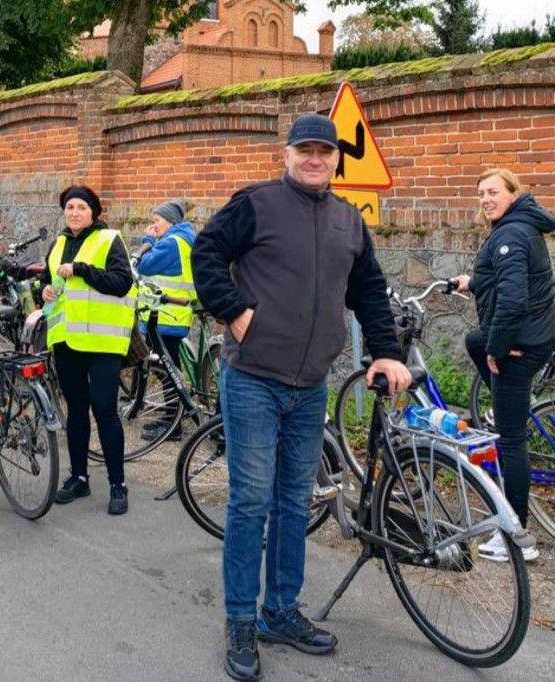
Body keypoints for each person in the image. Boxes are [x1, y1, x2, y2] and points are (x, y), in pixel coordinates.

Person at [192, 113, 411, 681]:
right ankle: (241, 619)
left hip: (309, 384)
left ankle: (280, 611)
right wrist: (234, 311)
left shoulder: (348, 221)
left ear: (338, 159)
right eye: (305, 149)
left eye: (325, 151)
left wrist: (385, 352)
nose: (315, 159)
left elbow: (367, 291)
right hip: (254, 378)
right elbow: (207, 252)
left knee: (295, 503)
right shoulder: (257, 203)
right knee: (250, 502)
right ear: (285, 154)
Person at [452, 168, 555, 563]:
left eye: (493, 192)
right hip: (538, 333)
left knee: (510, 441)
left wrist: (498, 350)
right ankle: (505, 404)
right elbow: (506, 282)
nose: (486, 199)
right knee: (473, 340)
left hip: (520, 344)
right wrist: (472, 281)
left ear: (514, 193)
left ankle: (513, 536)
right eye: (481, 193)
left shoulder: (510, 236)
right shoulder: (519, 225)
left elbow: (513, 302)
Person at [40, 185, 135, 515]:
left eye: (81, 207)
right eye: (69, 207)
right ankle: (78, 477)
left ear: (94, 212)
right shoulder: (58, 243)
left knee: (104, 406)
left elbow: (122, 282)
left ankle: (117, 484)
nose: (75, 212)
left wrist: (82, 270)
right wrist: (47, 290)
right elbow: (48, 282)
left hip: (104, 342)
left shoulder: (109, 240)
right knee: (76, 409)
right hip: (67, 340)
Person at [136, 198, 197, 441]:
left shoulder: (171, 243)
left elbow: (145, 266)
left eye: (157, 221)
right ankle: (172, 416)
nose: (154, 225)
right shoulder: (182, 240)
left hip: (167, 316)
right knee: (169, 368)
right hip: (173, 315)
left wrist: (147, 241)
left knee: (167, 371)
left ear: (170, 221)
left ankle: (172, 426)